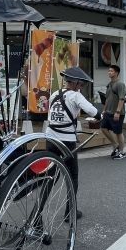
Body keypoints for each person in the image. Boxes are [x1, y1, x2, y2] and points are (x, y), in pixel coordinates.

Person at [45, 67, 99, 219]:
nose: (81, 88)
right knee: (72, 176)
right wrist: (101, 116)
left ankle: (36, 216)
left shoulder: (55, 94)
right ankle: (70, 212)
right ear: (75, 84)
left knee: (50, 177)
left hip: (50, 139)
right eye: (81, 85)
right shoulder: (76, 96)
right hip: (66, 142)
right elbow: (93, 112)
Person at [99, 65, 126, 159]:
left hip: (117, 113)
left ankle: (122, 152)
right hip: (108, 112)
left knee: (118, 132)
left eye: (111, 71)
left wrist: (118, 112)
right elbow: (107, 99)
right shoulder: (109, 84)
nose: (109, 72)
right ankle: (115, 145)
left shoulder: (120, 84)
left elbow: (122, 99)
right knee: (103, 128)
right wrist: (104, 110)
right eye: (109, 71)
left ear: (116, 73)